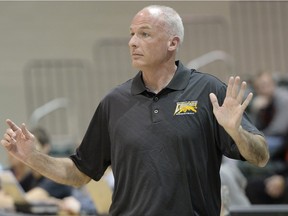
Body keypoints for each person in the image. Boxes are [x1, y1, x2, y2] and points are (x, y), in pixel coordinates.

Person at [1, 5, 269, 216]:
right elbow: (79, 172)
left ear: (172, 43)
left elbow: (261, 157)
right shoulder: (114, 102)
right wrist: (32, 158)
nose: (132, 42)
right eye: (131, 33)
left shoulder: (208, 91)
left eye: (144, 34)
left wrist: (236, 132)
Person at [1, 127, 98, 215]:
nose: (26, 150)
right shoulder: (31, 176)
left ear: (46, 147)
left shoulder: (55, 176)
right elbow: (16, 198)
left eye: (32, 145)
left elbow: (23, 202)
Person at [240, 71, 288, 204]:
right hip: (272, 139)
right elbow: (252, 128)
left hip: (280, 140)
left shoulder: (284, 98)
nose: (264, 88)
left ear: (273, 84)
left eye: (266, 84)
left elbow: (279, 128)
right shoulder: (261, 102)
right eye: (260, 86)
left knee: (249, 149)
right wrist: (257, 111)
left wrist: (259, 137)